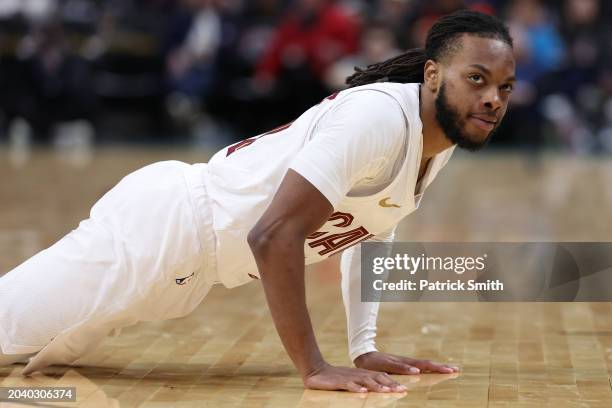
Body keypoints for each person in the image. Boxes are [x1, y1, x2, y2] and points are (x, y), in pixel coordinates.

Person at [0, 10, 516, 393]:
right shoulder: (376, 119)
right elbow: (272, 236)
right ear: (431, 76)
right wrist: (313, 366)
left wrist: (364, 347)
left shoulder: (435, 144)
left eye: (505, 87)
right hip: (164, 228)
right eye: (477, 78)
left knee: (23, 358)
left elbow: (372, 237)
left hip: (189, 267)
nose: (493, 99)